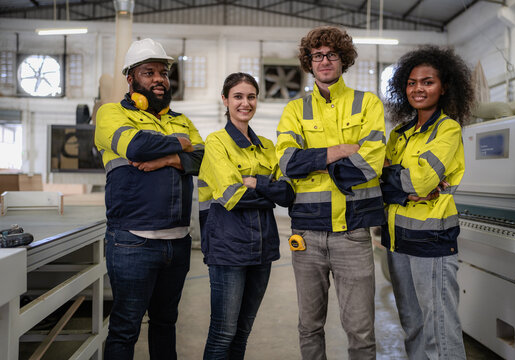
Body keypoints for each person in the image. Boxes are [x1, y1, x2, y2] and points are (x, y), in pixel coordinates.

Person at [275, 26, 386, 359]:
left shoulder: (367, 104)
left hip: (353, 234)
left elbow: (372, 162)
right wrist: (338, 150)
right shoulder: (295, 110)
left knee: (362, 331)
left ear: (343, 59)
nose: (324, 60)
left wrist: (316, 163)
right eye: (317, 55)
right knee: (309, 327)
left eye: (331, 54)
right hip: (308, 234)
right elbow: (287, 162)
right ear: (309, 62)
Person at [94, 38, 204, 360]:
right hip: (132, 240)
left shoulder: (181, 119)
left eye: (163, 72)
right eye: (149, 72)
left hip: (178, 241)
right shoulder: (110, 113)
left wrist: (169, 159)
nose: (159, 79)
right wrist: (180, 145)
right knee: (125, 327)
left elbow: (204, 159)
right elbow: (137, 147)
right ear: (131, 79)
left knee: (166, 323)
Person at [381, 45, 474, 359]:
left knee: (440, 328)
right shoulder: (400, 134)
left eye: (427, 81)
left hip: (432, 240)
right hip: (396, 241)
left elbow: (420, 181)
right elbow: (384, 183)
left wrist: (400, 180)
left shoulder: (447, 129)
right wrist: (402, 183)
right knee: (413, 325)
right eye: (411, 82)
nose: (418, 88)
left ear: (444, 87)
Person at [198, 72, 294, 359]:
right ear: (225, 100)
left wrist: (255, 182)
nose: (245, 103)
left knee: (242, 333)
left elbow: (288, 194)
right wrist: (269, 191)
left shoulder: (267, 146)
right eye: (238, 96)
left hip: (262, 249)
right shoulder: (216, 142)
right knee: (223, 333)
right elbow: (232, 197)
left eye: (251, 96)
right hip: (228, 250)